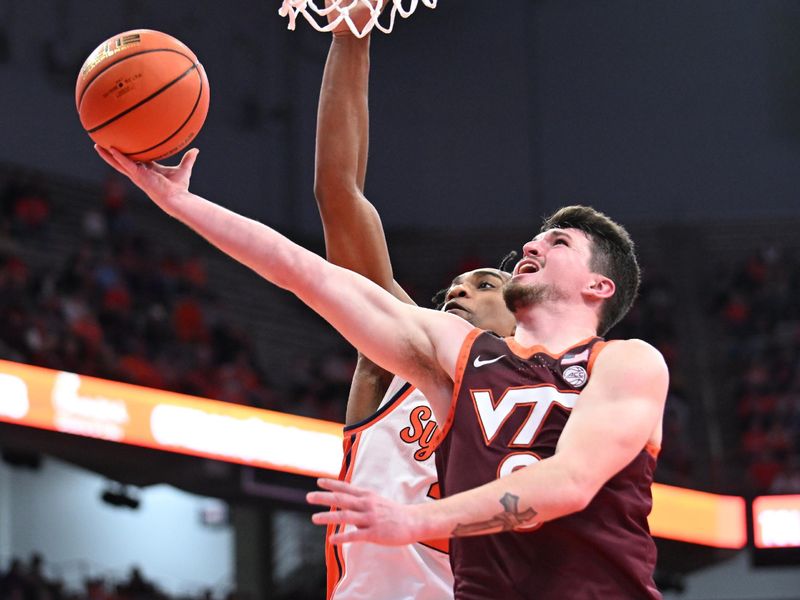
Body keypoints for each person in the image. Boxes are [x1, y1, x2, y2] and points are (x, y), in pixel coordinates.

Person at [95, 137, 666, 600]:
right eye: (533, 239)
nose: (531, 246)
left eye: (557, 242)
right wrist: (180, 204)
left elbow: (569, 484)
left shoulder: (626, 362)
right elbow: (305, 273)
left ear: (599, 286)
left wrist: (416, 521)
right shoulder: (461, 355)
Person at [313, 10, 515, 599]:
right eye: (455, 285)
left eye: (485, 285)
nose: (458, 291)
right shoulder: (395, 360)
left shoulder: (544, 395)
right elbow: (339, 193)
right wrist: (352, 38)